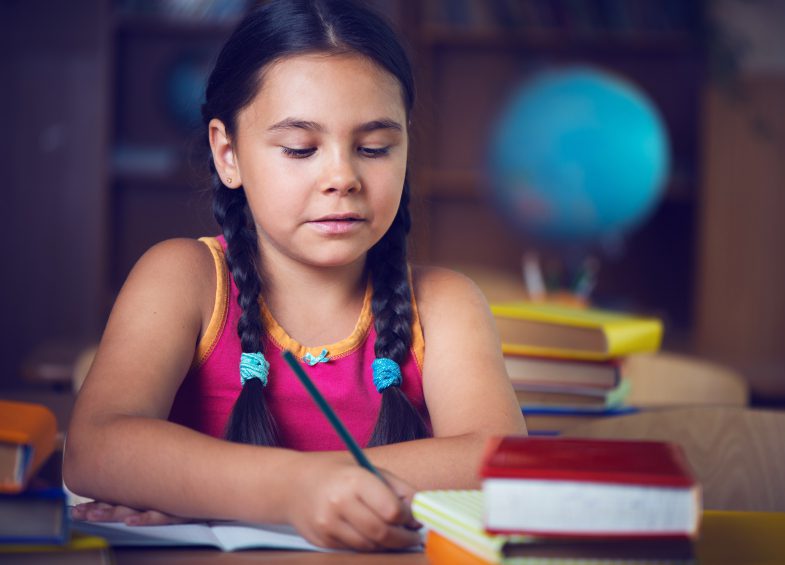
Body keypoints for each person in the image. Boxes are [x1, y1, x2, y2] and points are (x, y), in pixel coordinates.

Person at [63, 0, 526, 552]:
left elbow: (496, 461)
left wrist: (220, 490)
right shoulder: (184, 278)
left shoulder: (445, 302)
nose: (342, 177)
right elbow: (95, 449)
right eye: (300, 148)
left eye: (375, 147)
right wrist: (294, 492)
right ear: (227, 153)